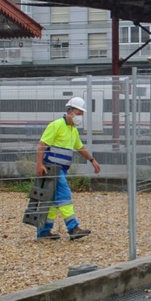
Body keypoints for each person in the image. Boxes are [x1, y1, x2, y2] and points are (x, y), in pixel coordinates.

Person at [35, 96, 100, 240]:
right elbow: (42, 145)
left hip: (60, 170)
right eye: (78, 114)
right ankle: (73, 228)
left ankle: (43, 232)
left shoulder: (73, 130)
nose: (79, 117)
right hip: (52, 169)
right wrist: (39, 165)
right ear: (69, 111)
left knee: (52, 202)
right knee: (64, 196)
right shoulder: (56, 125)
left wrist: (92, 160)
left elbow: (80, 147)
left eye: (81, 115)